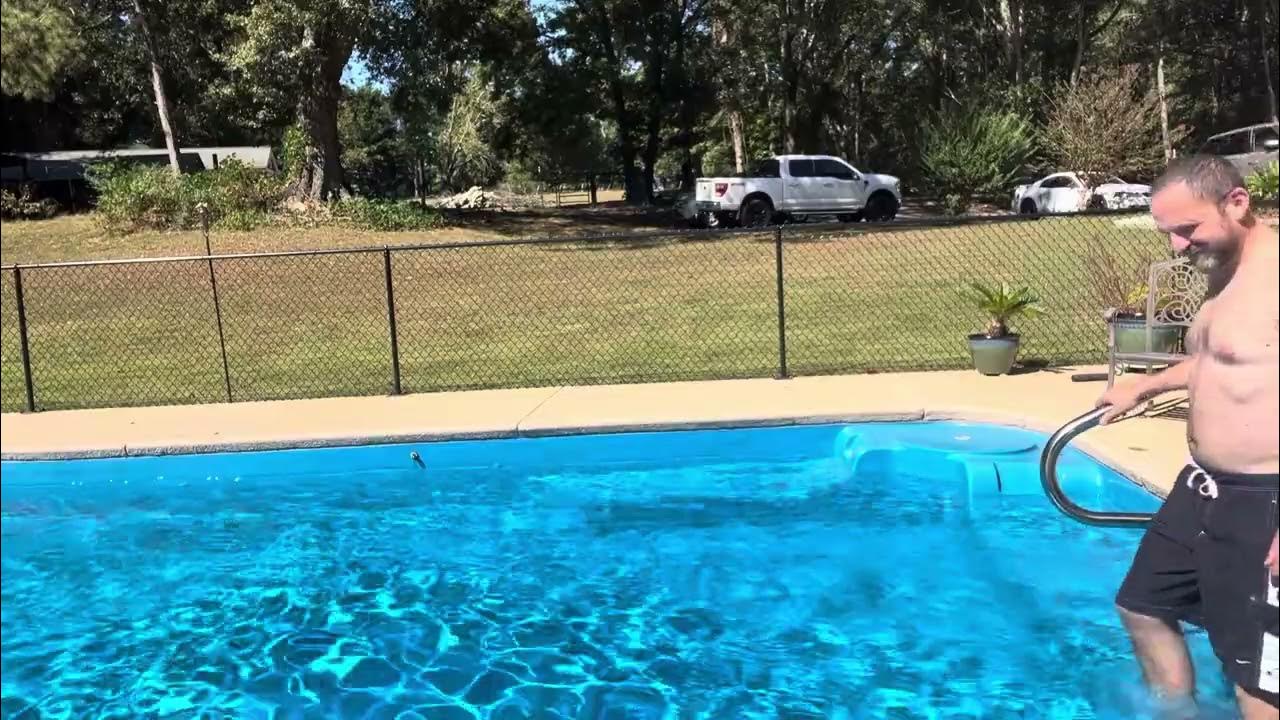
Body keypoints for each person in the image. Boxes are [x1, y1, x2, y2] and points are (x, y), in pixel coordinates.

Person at [1097, 154, 1279, 719]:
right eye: (1168, 233)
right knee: (1144, 605)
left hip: (1264, 500)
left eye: (1187, 228)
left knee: (1257, 675)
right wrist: (1144, 386)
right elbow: (1218, 357)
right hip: (1202, 487)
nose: (1178, 246)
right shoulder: (1224, 266)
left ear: (1237, 203)